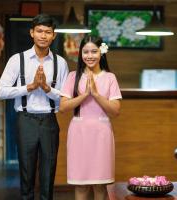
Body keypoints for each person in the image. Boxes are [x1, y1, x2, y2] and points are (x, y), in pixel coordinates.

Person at [0, 14, 69, 200]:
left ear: (53, 36)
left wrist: (46, 88)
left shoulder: (60, 63)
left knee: (48, 172)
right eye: (39, 31)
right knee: (26, 172)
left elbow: (64, 99)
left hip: (49, 121)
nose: (43, 36)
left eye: (48, 32)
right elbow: (2, 92)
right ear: (32, 33)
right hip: (25, 120)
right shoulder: (16, 60)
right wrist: (29, 87)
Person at [59, 35, 122, 200]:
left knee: (100, 185)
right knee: (80, 185)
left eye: (94, 51)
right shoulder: (73, 76)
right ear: (80, 54)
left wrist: (96, 95)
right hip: (79, 133)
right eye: (85, 52)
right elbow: (63, 107)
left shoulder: (110, 78)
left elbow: (115, 111)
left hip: (101, 133)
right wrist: (84, 95)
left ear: (101, 52)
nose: (89, 55)